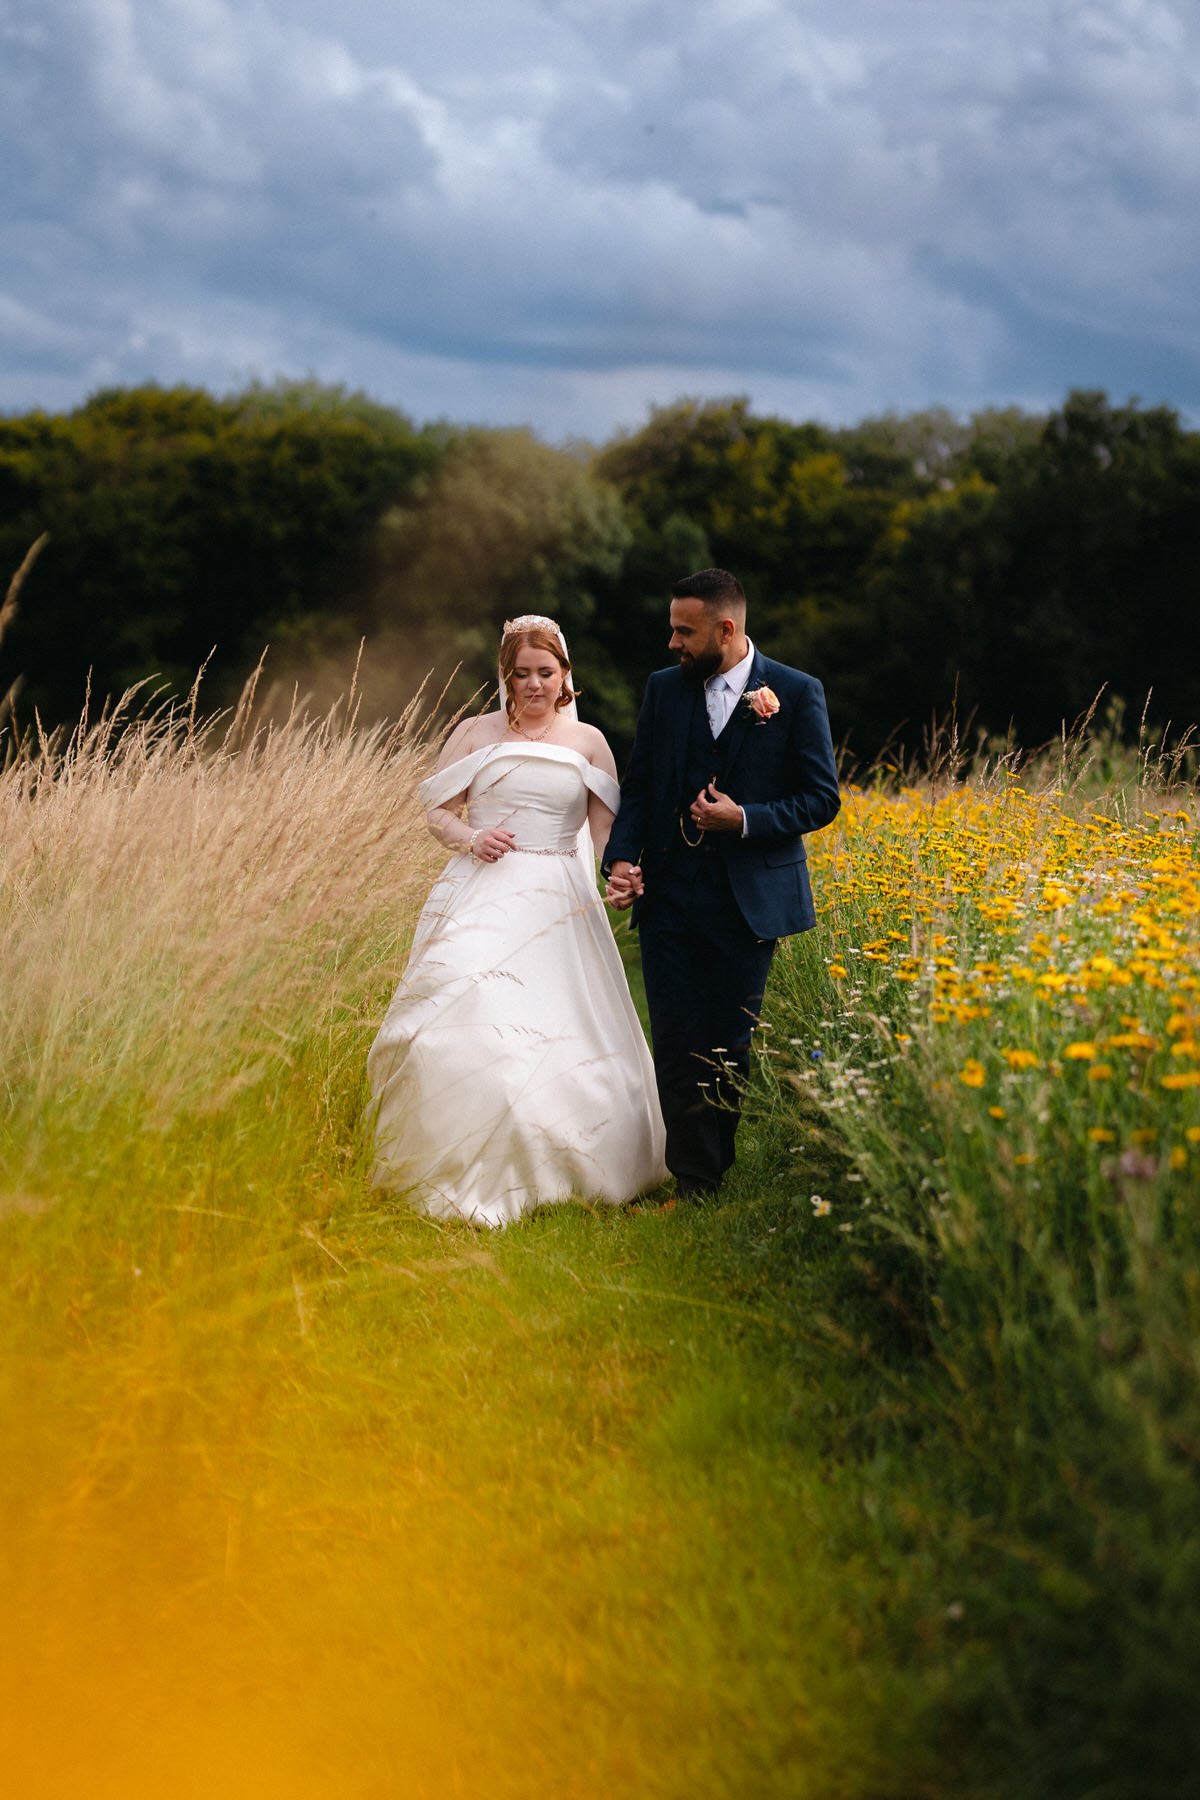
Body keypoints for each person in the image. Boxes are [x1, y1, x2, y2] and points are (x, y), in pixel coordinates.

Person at [367, 616, 667, 1226]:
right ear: (505, 677)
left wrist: (620, 874)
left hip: (558, 892)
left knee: (558, 1021)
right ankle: (448, 1154)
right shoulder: (474, 733)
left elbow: (606, 831)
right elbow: (438, 813)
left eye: (545, 673)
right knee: (459, 1009)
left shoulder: (588, 742)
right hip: (482, 887)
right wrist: (472, 837)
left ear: (564, 677)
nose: (533, 685)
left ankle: (564, 1159)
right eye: (521, 674)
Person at [604, 568, 840, 1198]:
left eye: (685, 631)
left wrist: (745, 819)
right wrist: (622, 859)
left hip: (748, 902)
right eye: (672, 629)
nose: (673, 643)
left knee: (729, 1042)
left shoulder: (795, 692)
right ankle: (695, 1179)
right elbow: (643, 784)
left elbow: (821, 799)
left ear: (726, 629)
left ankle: (716, 1158)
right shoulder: (663, 690)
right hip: (670, 899)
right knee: (678, 1038)